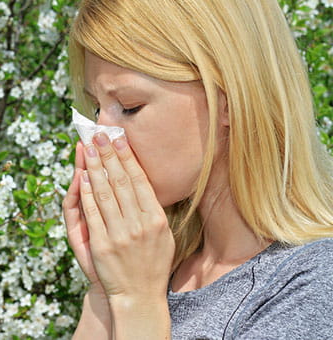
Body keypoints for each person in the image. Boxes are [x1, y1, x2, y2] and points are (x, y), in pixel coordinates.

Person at [62, 0, 333, 338]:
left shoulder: (310, 286)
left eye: (130, 107)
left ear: (229, 102)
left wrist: (137, 302)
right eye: (97, 108)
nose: (99, 136)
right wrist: (104, 293)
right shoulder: (156, 268)